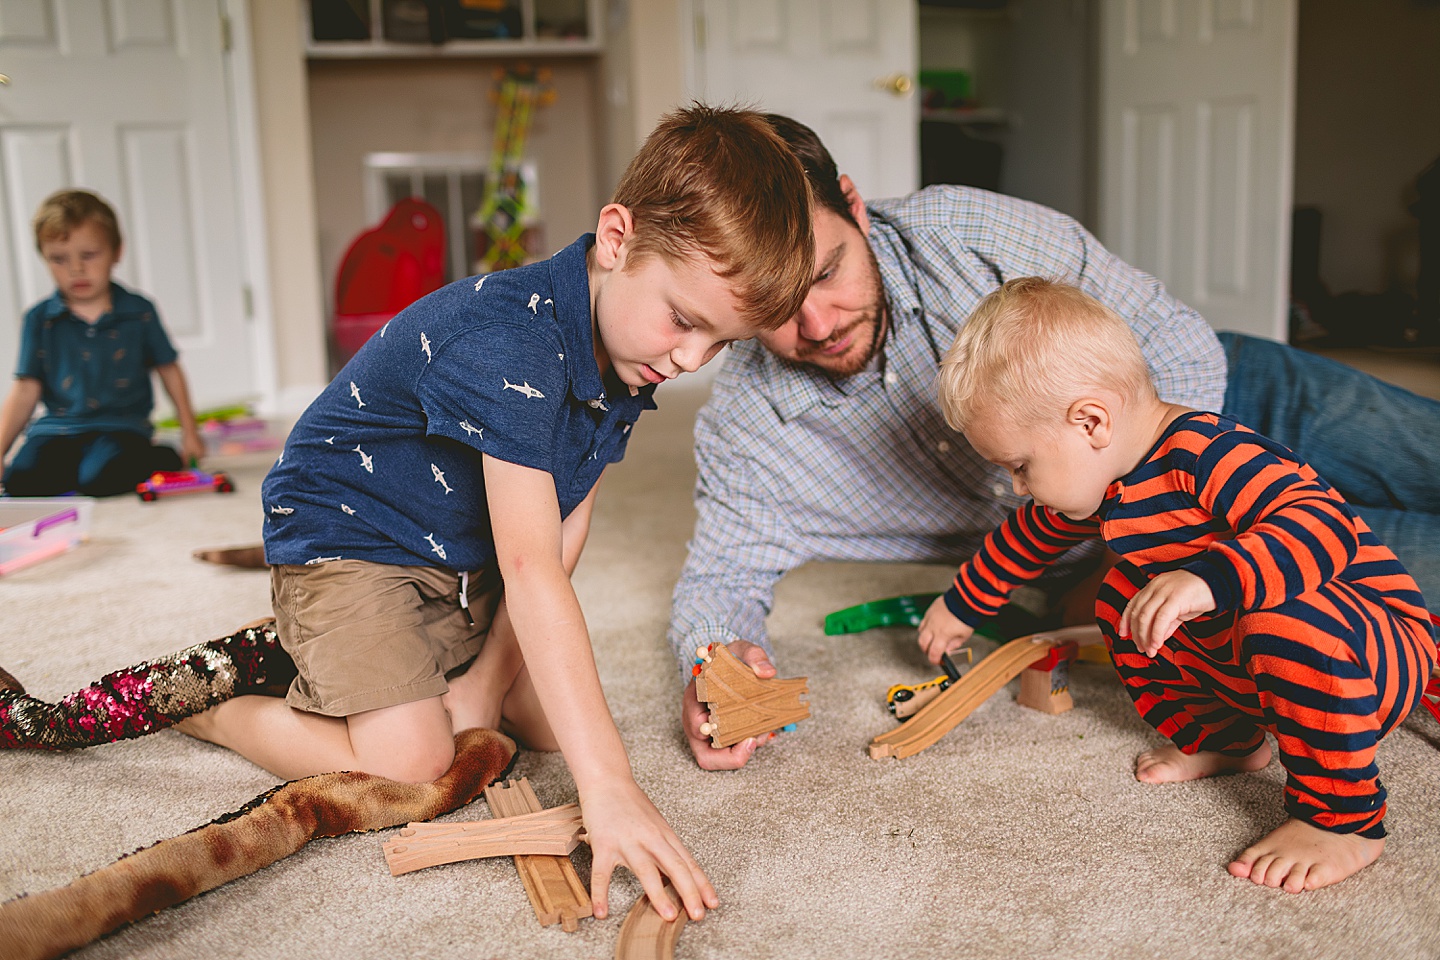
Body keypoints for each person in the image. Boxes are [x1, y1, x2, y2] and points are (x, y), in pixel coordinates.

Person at [172, 105, 814, 923]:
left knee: (545, 727)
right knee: (414, 764)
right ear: (616, 239)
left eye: (720, 343)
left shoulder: (627, 350)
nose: (690, 360)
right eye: (685, 320)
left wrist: (486, 683)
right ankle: (221, 709)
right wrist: (610, 786)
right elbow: (529, 566)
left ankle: (420, 667)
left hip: (449, 557)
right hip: (346, 538)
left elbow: (561, 529)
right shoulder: (511, 342)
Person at [671, 114, 1440, 770]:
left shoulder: (969, 233)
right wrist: (717, 665)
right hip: (1185, 569)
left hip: (1229, 399)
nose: (816, 323)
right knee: (1393, 587)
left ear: (854, 206)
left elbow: (1173, 341)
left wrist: (1133, 542)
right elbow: (718, 575)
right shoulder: (750, 426)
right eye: (771, 306)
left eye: (828, 271)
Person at [918, 277, 1435, 893]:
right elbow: (1023, 539)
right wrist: (960, 605)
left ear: (1091, 422)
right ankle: (1227, 740)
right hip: (1267, 669)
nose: (1018, 487)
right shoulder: (1104, 481)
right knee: (1122, 599)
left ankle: (1343, 820)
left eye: (1021, 466)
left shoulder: (1210, 453)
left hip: (1373, 656)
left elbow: (1321, 527)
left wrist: (1209, 578)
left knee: (1275, 620)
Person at [0, 189, 204, 496]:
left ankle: (162, 457)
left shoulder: (140, 312)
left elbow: (169, 370)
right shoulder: (39, 319)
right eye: (59, 259)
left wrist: (190, 432)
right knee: (20, 481)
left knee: (99, 480)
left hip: (121, 428)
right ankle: (76, 470)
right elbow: (26, 388)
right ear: (44, 257)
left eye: (89, 255)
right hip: (58, 429)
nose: (76, 269)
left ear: (116, 252)